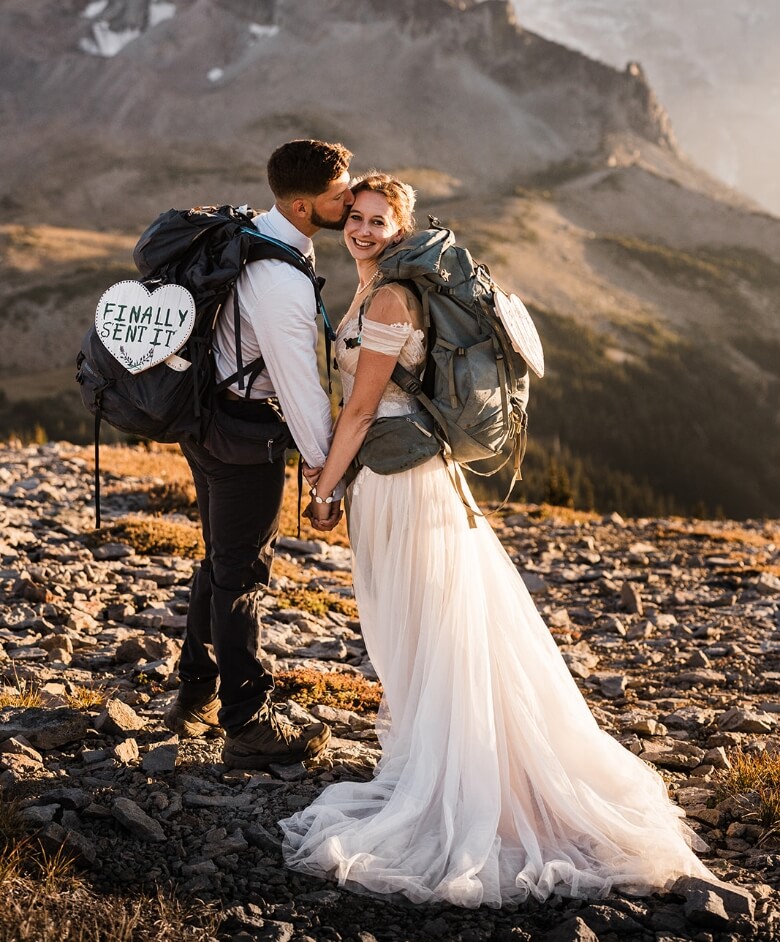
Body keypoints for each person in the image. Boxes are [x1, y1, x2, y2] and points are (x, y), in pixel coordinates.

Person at [279, 173, 716, 906]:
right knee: (427, 631)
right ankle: (448, 764)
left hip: (405, 486)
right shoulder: (370, 287)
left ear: (401, 228)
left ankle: (463, 791)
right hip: (399, 481)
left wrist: (321, 496)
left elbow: (357, 413)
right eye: (354, 216)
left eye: (378, 221)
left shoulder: (389, 296)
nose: (361, 229)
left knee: (430, 633)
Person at [164, 139, 351, 771]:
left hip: (206, 418)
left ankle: (193, 690)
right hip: (244, 438)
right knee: (241, 576)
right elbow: (301, 390)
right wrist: (328, 476)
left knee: (219, 560)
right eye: (338, 196)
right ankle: (246, 722)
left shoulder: (252, 234)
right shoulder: (281, 283)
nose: (349, 201)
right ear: (303, 206)